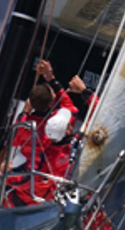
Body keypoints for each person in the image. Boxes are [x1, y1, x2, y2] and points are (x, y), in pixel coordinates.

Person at [4, 60, 77, 207]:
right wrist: (51, 78)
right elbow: (70, 107)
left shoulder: (24, 126)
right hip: (46, 193)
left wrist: (25, 112)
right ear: (51, 103)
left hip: (24, 191)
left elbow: (15, 138)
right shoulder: (59, 122)